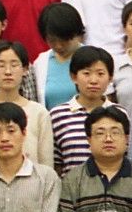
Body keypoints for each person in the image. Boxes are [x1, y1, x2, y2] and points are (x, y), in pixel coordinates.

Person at [0, 41, 55, 169]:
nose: (8, 72)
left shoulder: (39, 113)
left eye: (14, 65)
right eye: (1, 65)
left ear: (25, 69)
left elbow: (46, 162)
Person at [49, 46, 121, 175]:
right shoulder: (57, 115)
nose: (93, 80)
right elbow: (56, 165)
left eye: (100, 74)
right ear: (74, 77)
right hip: (71, 186)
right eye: (86, 73)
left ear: (110, 78)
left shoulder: (120, 114)